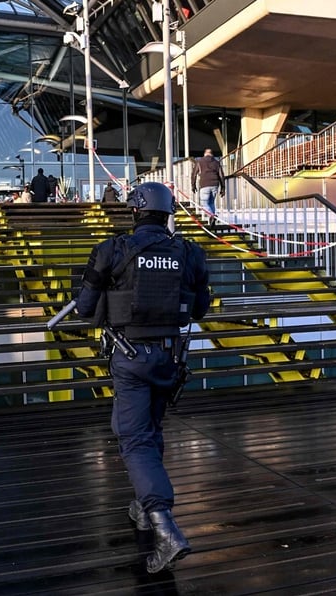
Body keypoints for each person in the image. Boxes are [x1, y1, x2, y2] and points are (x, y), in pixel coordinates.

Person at [75, 181, 211, 574]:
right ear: (168, 213)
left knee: (133, 440)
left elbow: (85, 308)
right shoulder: (188, 252)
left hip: (130, 359)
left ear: (134, 212)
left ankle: (165, 527)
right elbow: (200, 309)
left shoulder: (113, 250)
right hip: (169, 359)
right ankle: (142, 504)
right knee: (147, 431)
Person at [190, 148, 224, 225]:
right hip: (215, 184)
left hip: (204, 184)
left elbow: (194, 174)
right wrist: (223, 188)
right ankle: (212, 221)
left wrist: (193, 185)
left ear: (205, 154)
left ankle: (212, 216)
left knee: (204, 203)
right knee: (211, 202)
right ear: (212, 154)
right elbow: (221, 175)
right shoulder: (216, 162)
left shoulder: (199, 161)